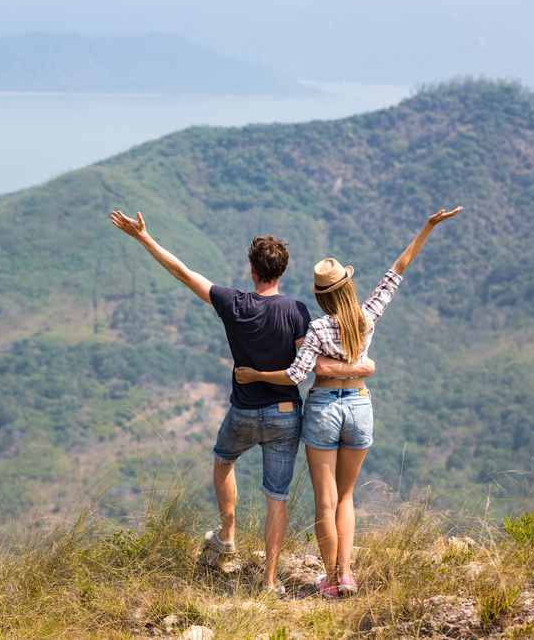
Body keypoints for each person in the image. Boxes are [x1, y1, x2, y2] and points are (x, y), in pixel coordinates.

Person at [110, 209, 374, 594]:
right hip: (286, 415)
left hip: (244, 411)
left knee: (223, 459)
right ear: (281, 272)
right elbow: (311, 364)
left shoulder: (232, 304)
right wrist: (360, 368)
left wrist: (144, 238)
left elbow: (183, 273)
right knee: (277, 497)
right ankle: (269, 581)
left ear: (253, 270)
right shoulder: (298, 311)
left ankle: (228, 535)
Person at [235, 207, 462, 598]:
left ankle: (328, 580)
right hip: (359, 406)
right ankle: (347, 575)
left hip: (323, 407)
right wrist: (427, 226)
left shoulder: (318, 327)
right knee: (346, 497)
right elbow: (397, 270)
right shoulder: (366, 317)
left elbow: (295, 376)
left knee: (324, 501)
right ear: (349, 287)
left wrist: (254, 375)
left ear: (321, 296)